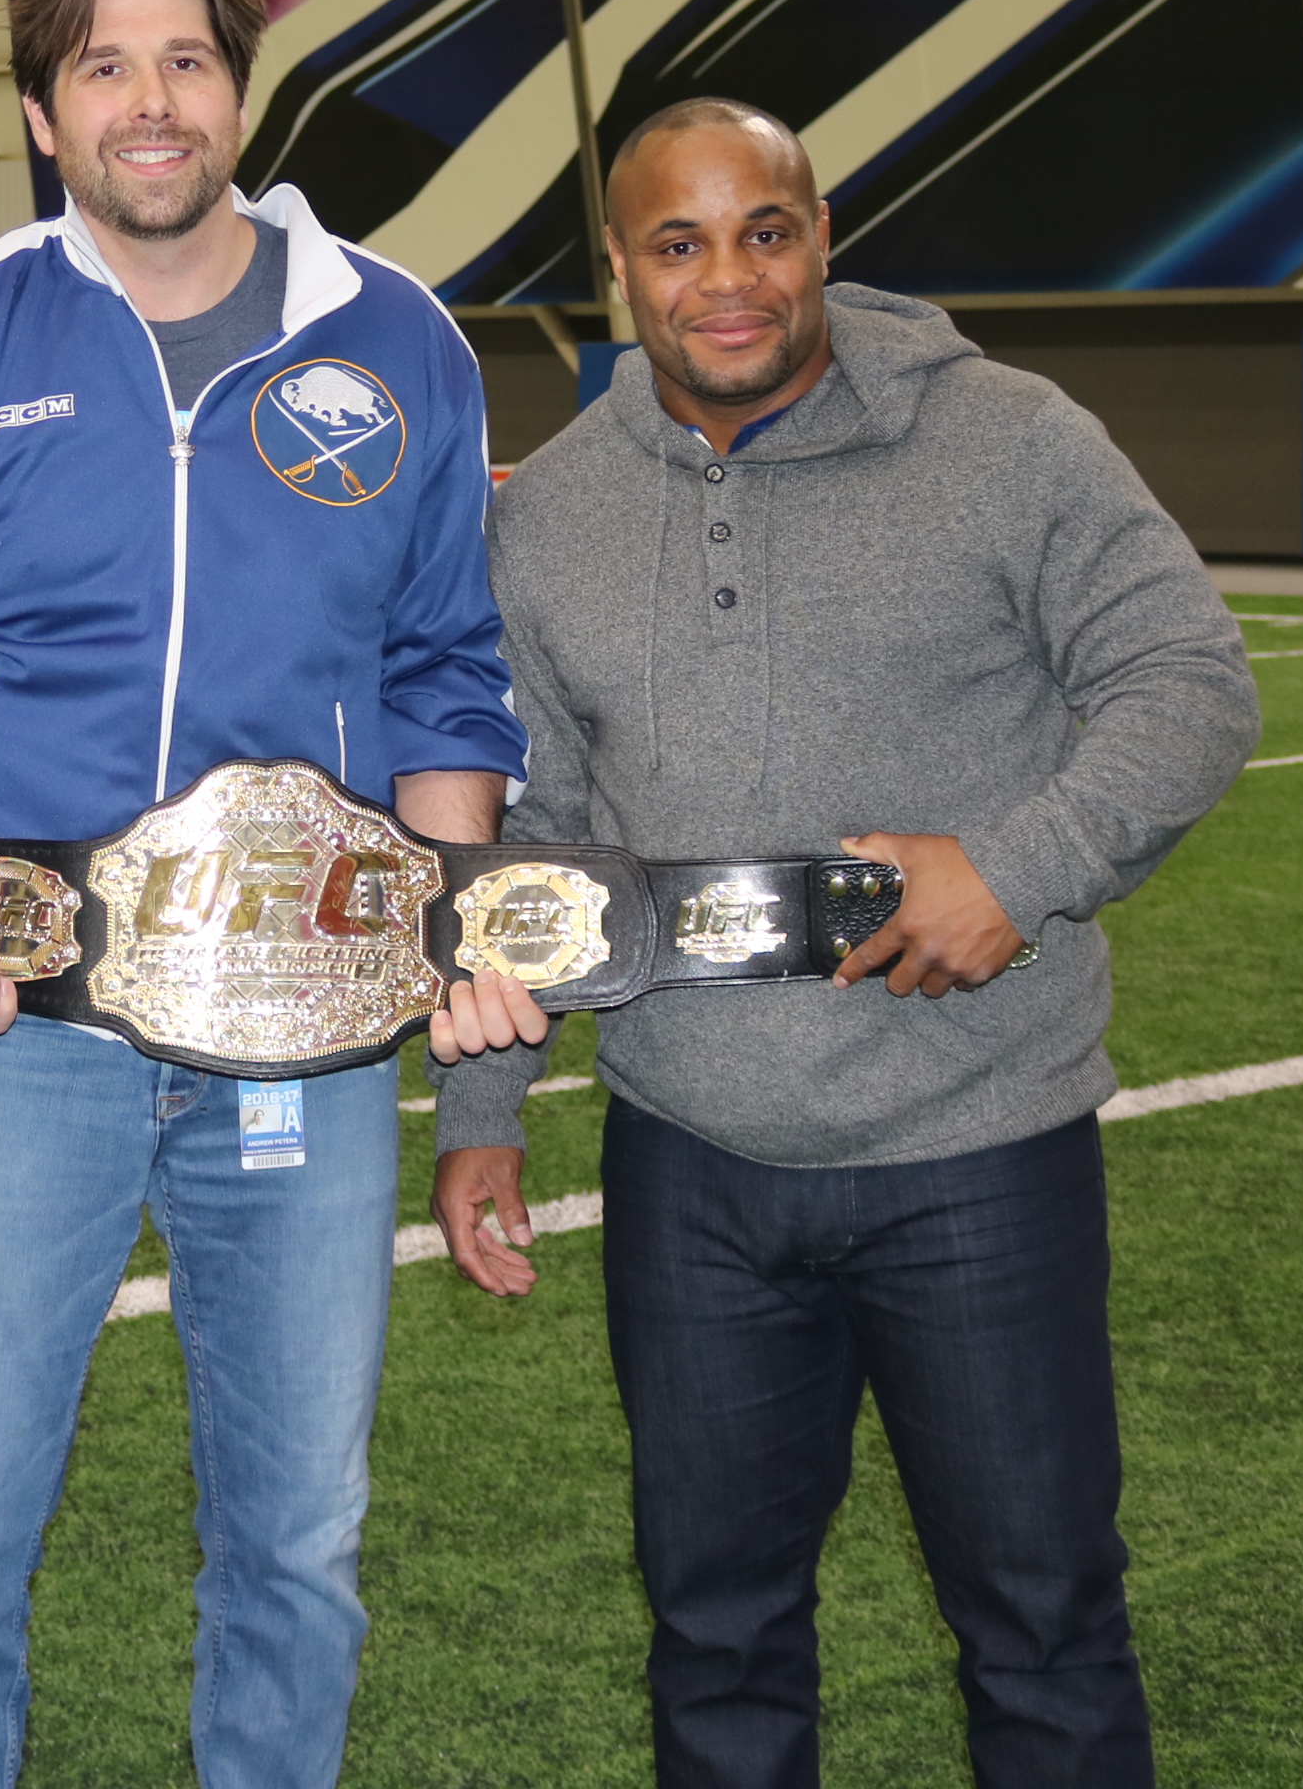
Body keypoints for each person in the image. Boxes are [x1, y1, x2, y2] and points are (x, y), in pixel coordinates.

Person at [425, 96, 1258, 1789]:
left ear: (821, 238)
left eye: (766, 231)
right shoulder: (554, 514)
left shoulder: (1011, 438)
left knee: (1040, 1623)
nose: (727, 280)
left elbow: (1191, 685)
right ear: (618, 269)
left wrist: (1018, 870)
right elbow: (541, 854)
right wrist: (482, 1117)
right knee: (716, 1634)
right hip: (692, 1170)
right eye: (679, 243)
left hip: (979, 1152)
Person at [0, 0, 528, 1789]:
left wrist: (451, 923)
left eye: (188, 61)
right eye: (105, 67)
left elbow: (447, 669)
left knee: (299, 1543)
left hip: (301, 1021)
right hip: (24, 1031)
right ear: (46, 116)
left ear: (239, 92)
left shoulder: (393, 338)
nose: (153, 103)